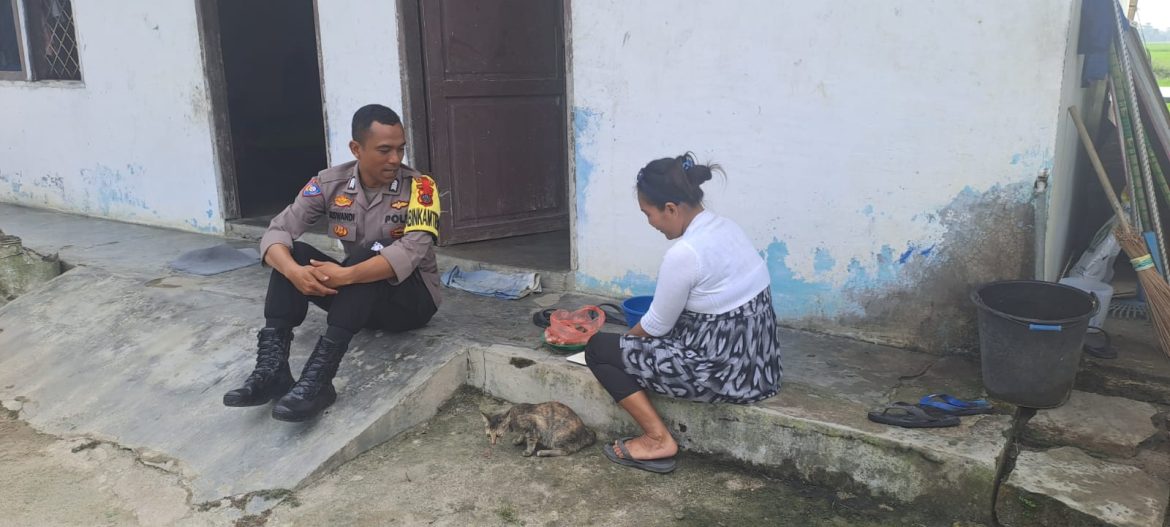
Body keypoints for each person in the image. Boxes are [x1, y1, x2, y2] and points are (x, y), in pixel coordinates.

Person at [222, 104, 442, 422]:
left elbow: (410, 252)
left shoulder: (421, 189)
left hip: (411, 302)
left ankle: (319, 380)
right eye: (384, 150)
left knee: (369, 255)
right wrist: (294, 272)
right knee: (293, 253)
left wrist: (346, 275)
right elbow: (277, 232)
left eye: (400, 149)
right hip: (360, 302)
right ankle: (272, 371)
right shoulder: (329, 184)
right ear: (356, 148)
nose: (395, 159)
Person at [584, 153, 782, 473]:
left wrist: (623, 345)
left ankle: (657, 438)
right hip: (762, 370)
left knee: (598, 350)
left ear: (671, 209)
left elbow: (656, 326)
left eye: (648, 214)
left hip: (724, 375)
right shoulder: (726, 228)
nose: (649, 223)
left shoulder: (684, 253)